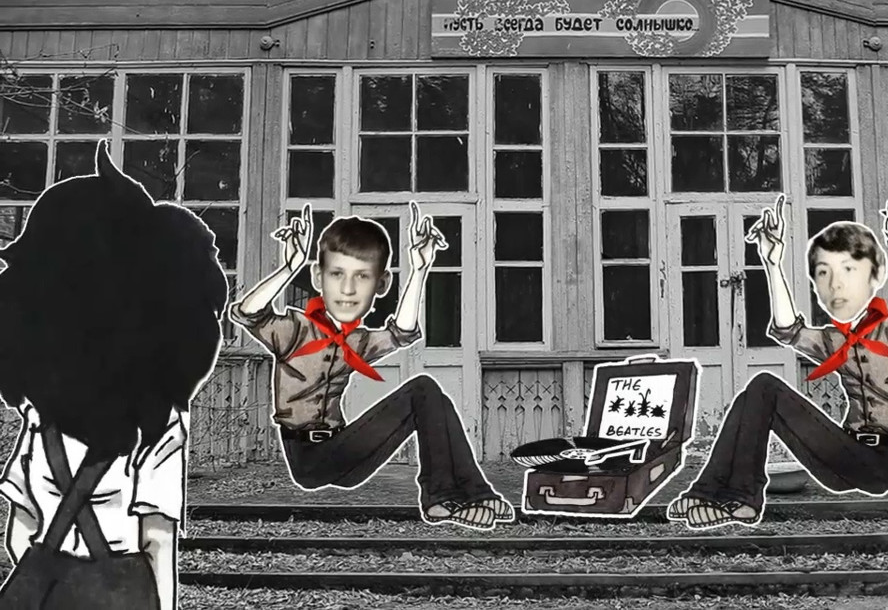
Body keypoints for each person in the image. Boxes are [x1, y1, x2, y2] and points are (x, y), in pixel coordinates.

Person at [0, 140, 227, 610]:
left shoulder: (40, 422)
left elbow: (20, 530)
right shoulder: (158, 426)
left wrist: (54, 578)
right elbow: (157, 541)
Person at [668, 194, 888, 529]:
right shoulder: (835, 340)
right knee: (758, 393)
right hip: (840, 455)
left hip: (879, 463)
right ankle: (715, 492)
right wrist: (772, 264)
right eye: (823, 275)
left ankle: (737, 497)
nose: (836, 285)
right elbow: (788, 330)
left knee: (764, 387)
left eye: (849, 272)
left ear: (875, 277)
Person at [229, 204, 513, 530]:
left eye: (362, 277)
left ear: (381, 284)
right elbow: (249, 313)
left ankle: (471, 493)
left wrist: (420, 269)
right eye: (337, 274)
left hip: (346, 453)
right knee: (423, 390)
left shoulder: (356, 342)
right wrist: (290, 266)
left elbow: (401, 332)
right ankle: (443, 498)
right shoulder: (294, 330)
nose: (348, 289)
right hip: (307, 458)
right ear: (318, 277)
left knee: (426, 394)